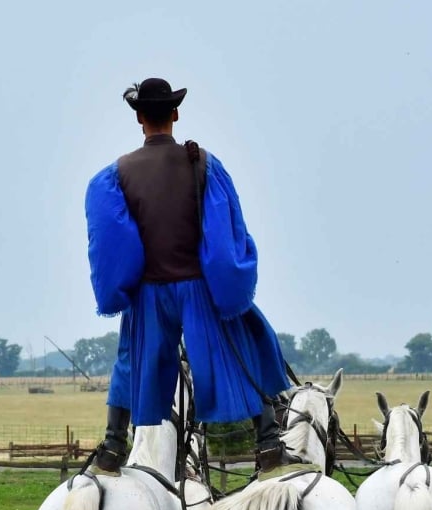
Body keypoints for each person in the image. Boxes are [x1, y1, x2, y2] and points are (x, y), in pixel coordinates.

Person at [84, 77, 293, 477]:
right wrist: (227, 287)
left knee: (130, 358)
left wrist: (126, 290)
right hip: (198, 288)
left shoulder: (116, 175)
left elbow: (114, 243)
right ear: (175, 114)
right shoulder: (205, 165)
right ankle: (268, 443)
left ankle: (112, 447)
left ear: (140, 118)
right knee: (242, 343)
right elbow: (224, 233)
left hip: (149, 295)